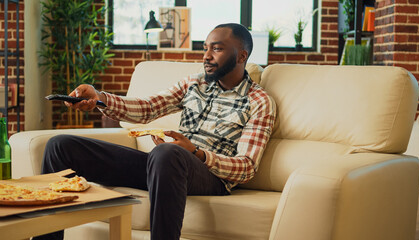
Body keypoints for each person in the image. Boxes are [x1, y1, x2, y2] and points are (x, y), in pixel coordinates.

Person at [33, 23, 276, 240]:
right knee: (60, 146)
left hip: (210, 176)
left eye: (217, 49)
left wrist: (196, 152)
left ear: (242, 55)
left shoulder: (259, 101)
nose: (207, 56)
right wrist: (99, 98)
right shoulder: (194, 83)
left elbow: (246, 168)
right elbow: (148, 108)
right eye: (205, 48)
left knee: (167, 153)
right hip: (166, 166)